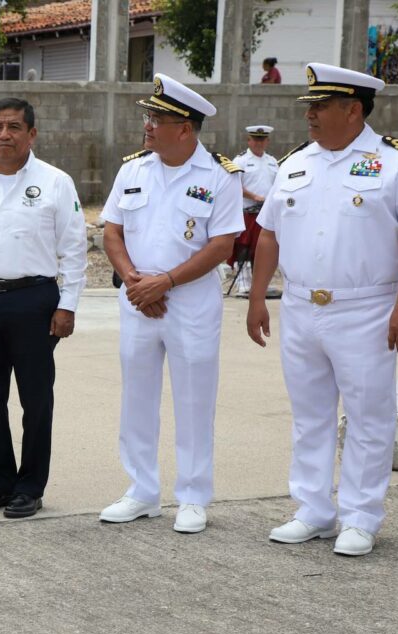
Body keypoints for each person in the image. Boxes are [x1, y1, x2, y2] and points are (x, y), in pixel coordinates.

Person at [247, 63, 398, 556]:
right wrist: (256, 298)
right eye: (309, 106)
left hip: (367, 309)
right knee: (309, 415)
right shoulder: (295, 163)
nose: (309, 115)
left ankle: (361, 516)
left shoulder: (395, 162)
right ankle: (313, 509)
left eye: (320, 106)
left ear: (353, 110)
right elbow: (268, 232)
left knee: (368, 416)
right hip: (301, 306)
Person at [98, 74, 243, 534]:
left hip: (190, 304)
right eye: (149, 115)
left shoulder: (220, 176)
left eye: (157, 118)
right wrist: (134, 281)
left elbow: (223, 245)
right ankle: (141, 491)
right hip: (139, 301)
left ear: (185, 127)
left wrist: (167, 281)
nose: (148, 124)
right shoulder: (133, 170)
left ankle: (194, 497)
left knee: (194, 400)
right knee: (137, 398)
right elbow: (111, 231)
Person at [0, 97, 87, 519]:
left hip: (34, 301)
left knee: (35, 399)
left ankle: (30, 486)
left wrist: (69, 305)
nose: (3, 135)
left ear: (32, 134)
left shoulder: (56, 182)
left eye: (13, 127)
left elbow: (74, 249)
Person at [230, 125, 279, 297]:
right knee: (244, 247)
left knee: (264, 248)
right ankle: (243, 284)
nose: (259, 143)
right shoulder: (240, 161)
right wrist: (254, 196)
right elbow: (234, 185)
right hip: (246, 211)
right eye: (255, 140)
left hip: (266, 213)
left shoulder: (272, 162)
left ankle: (262, 284)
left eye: (262, 140)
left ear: (267, 141)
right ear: (249, 141)